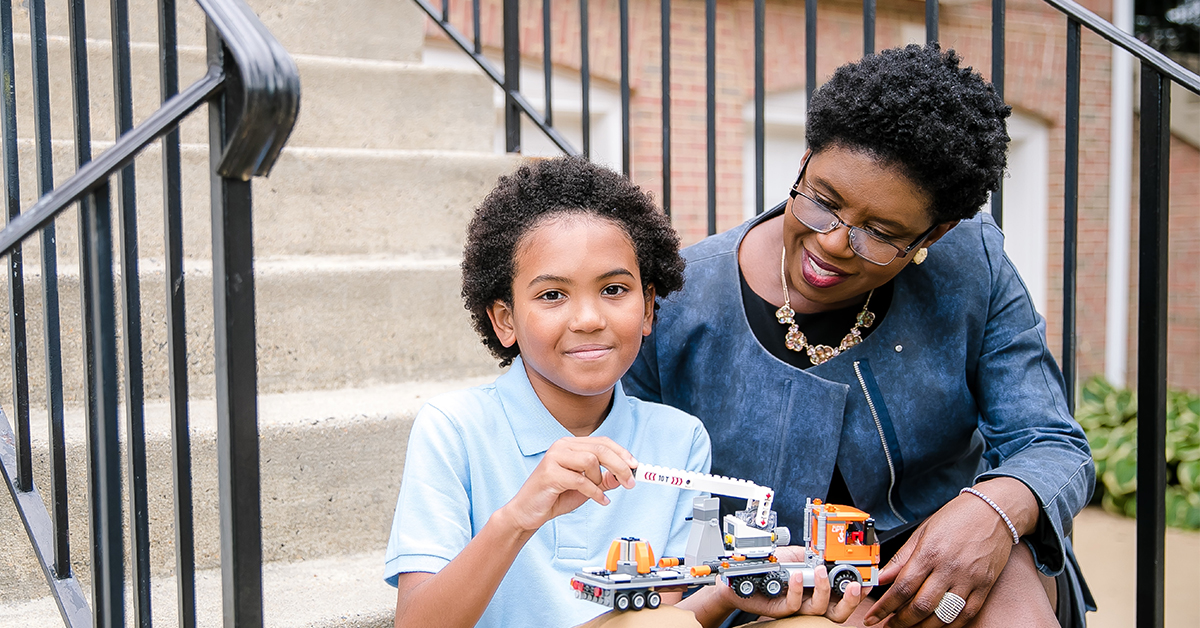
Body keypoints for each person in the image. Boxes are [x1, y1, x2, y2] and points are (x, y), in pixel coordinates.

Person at [623, 44, 1095, 628]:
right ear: (804, 160)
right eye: (823, 201)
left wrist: (990, 511)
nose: (832, 243)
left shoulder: (973, 264)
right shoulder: (677, 300)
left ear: (937, 232)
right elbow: (629, 488)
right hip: (764, 589)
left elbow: (1051, 442)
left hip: (940, 562)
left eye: (881, 232)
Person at [383, 157, 862, 628]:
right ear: (504, 319)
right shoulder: (453, 429)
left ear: (649, 308)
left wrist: (726, 591)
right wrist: (516, 519)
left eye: (614, 289)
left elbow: (665, 611)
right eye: (552, 295)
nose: (590, 318)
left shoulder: (679, 437)